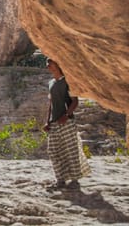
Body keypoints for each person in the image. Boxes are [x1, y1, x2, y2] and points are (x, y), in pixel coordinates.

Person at [43, 58, 91, 190]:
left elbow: (75, 102)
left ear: (58, 64)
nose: (47, 65)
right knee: (53, 151)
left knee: (71, 151)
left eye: (50, 62)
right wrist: (47, 121)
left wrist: (67, 115)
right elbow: (51, 104)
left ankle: (75, 181)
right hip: (54, 123)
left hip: (66, 122)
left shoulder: (67, 81)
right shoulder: (51, 83)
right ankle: (60, 180)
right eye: (47, 63)